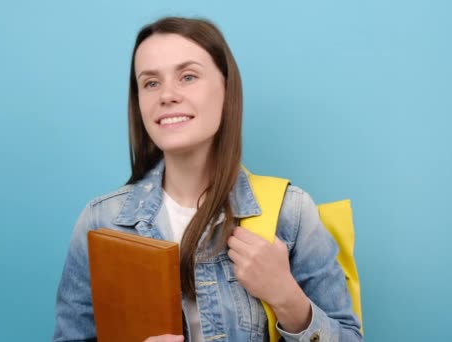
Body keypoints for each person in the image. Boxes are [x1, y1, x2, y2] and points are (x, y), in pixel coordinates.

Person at [53, 16, 363, 342]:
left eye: (188, 77)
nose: (167, 95)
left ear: (226, 89)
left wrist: (286, 297)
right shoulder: (101, 222)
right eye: (151, 83)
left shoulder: (291, 213)